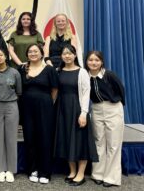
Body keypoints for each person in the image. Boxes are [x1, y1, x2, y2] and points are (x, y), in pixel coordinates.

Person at [54, 45, 98, 186]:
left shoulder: (82, 72)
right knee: (67, 140)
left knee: (80, 141)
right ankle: (72, 171)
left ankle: (81, 174)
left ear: (75, 56)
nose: (67, 56)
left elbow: (86, 93)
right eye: (64, 53)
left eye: (70, 53)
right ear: (61, 56)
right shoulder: (58, 71)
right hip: (62, 110)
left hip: (77, 110)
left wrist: (84, 113)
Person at [19, 44, 58, 184]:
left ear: (42, 53)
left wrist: (47, 104)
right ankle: (32, 169)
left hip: (45, 108)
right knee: (29, 138)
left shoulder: (49, 69)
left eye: (35, 51)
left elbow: (54, 90)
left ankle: (45, 172)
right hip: (27, 108)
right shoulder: (22, 69)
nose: (33, 53)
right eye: (30, 51)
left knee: (45, 138)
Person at [85, 51, 125, 187]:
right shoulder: (86, 76)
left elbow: (121, 90)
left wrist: (116, 105)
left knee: (113, 143)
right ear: (86, 62)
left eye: (97, 60)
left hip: (112, 108)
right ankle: (98, 174)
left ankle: (111, 178)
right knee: (99, 142)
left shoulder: (109, 75)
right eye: (90, 60)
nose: (93, 63)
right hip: (96, 109)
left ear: (102, 62)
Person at [0, 48, 22, 183]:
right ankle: (0, 169)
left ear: (5, 56)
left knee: (11, 138)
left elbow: (19, 91)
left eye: (1, 55)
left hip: (11, 106)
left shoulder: (14, 72)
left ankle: (10, 170)